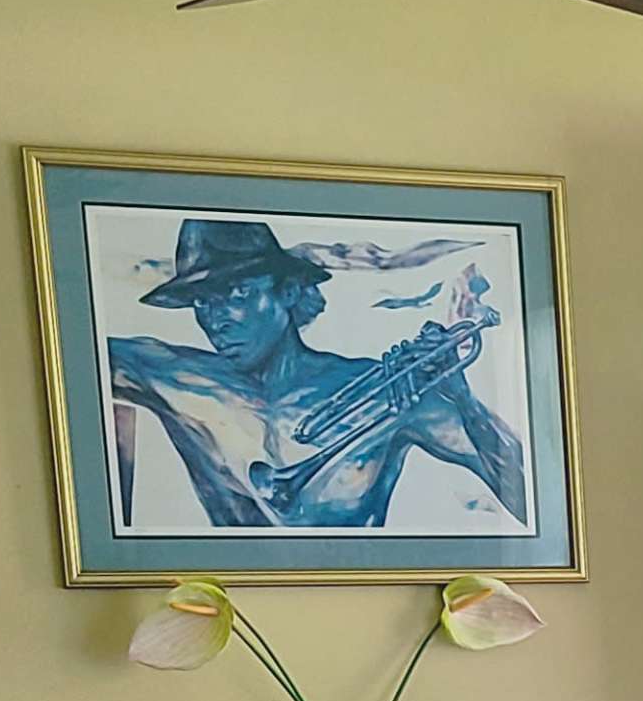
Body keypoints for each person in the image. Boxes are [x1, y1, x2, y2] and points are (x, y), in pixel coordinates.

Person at [105, 217, 531, 530]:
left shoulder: (389, 392)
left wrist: (466, 402)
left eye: (237, 293)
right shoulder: (171, 376)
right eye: (202, 301)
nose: (217, 318)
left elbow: (531, 499)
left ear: (287, 292)